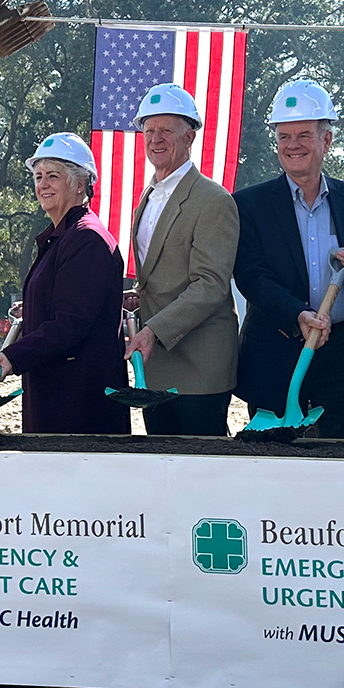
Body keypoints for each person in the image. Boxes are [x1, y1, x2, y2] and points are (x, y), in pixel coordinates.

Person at [234, 80, 344, 439]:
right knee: (275, 465)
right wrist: (296, 314)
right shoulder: (249, 204)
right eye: (284, 136)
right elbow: (251, 276)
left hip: (343, 356)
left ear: (326, 141)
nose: (292, 145)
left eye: (303, 134)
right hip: (278, 349)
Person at [0, 133, 129, 436]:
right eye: (38, 177)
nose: (42, 184)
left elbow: (72, 321)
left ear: (81, 184)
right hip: (60, 393)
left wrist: (15, 355)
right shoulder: (63, 237)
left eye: (53, 176)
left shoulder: (86, 239)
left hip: (78, 403)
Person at [123, 83, 241, 436]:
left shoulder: (213, 200)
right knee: (164, 470)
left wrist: (153, 329)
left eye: (166, 131)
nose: (155, 139)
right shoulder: (147, 198)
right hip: (157, 363)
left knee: (201, 473)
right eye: (149, 130)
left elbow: (211, 285)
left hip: (199, 367)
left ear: (189, 137)